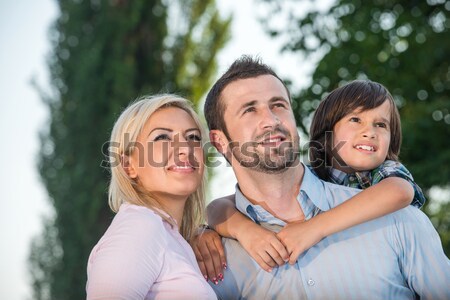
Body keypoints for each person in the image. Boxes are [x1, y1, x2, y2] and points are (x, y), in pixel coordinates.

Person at [193, 56, 450, 299]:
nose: (271, 120)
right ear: (219, 141)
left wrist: (313, 228)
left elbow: (400, 190)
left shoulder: (397, 218)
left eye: (278, 105)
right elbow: (217, 207)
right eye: (250, 110)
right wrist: (230, 227)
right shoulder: (208, 257)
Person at [86, 94, 217, 299]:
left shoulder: (170, 236)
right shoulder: (141, 225)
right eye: (162, 138)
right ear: (129, 165)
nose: (185, 148)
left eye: (193, 137)